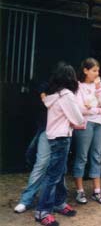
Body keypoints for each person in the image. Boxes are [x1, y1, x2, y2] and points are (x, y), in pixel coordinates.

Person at [35, 62, 84, 226]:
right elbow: (78, 119)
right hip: (62, 138)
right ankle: (42, 211)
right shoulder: (67, 95)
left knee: (60, 172)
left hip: (55, 136)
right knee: (54, 175)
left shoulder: (54, 95)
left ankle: (59, 202)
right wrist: (78, 121)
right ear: (71, 78)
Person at [73, 58, 101, 205]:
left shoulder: (100, 85)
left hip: (99, 123)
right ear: (85, 70)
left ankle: (97, 191)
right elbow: (80, 108)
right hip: (85, 124)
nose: (97, 73)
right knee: (82, 156)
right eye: (94, 70)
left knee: (96, 155)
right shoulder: (77, 86)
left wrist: (99, 88)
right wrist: (99, 109)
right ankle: (80, 190)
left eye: (98, 70)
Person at [14, 81, 49, 213]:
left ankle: (56, 201)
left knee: (58, 170)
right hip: (47, 130)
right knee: (40, 164)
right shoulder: (47, 88)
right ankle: (27, 199)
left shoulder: (70, 92)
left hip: (62, 134)